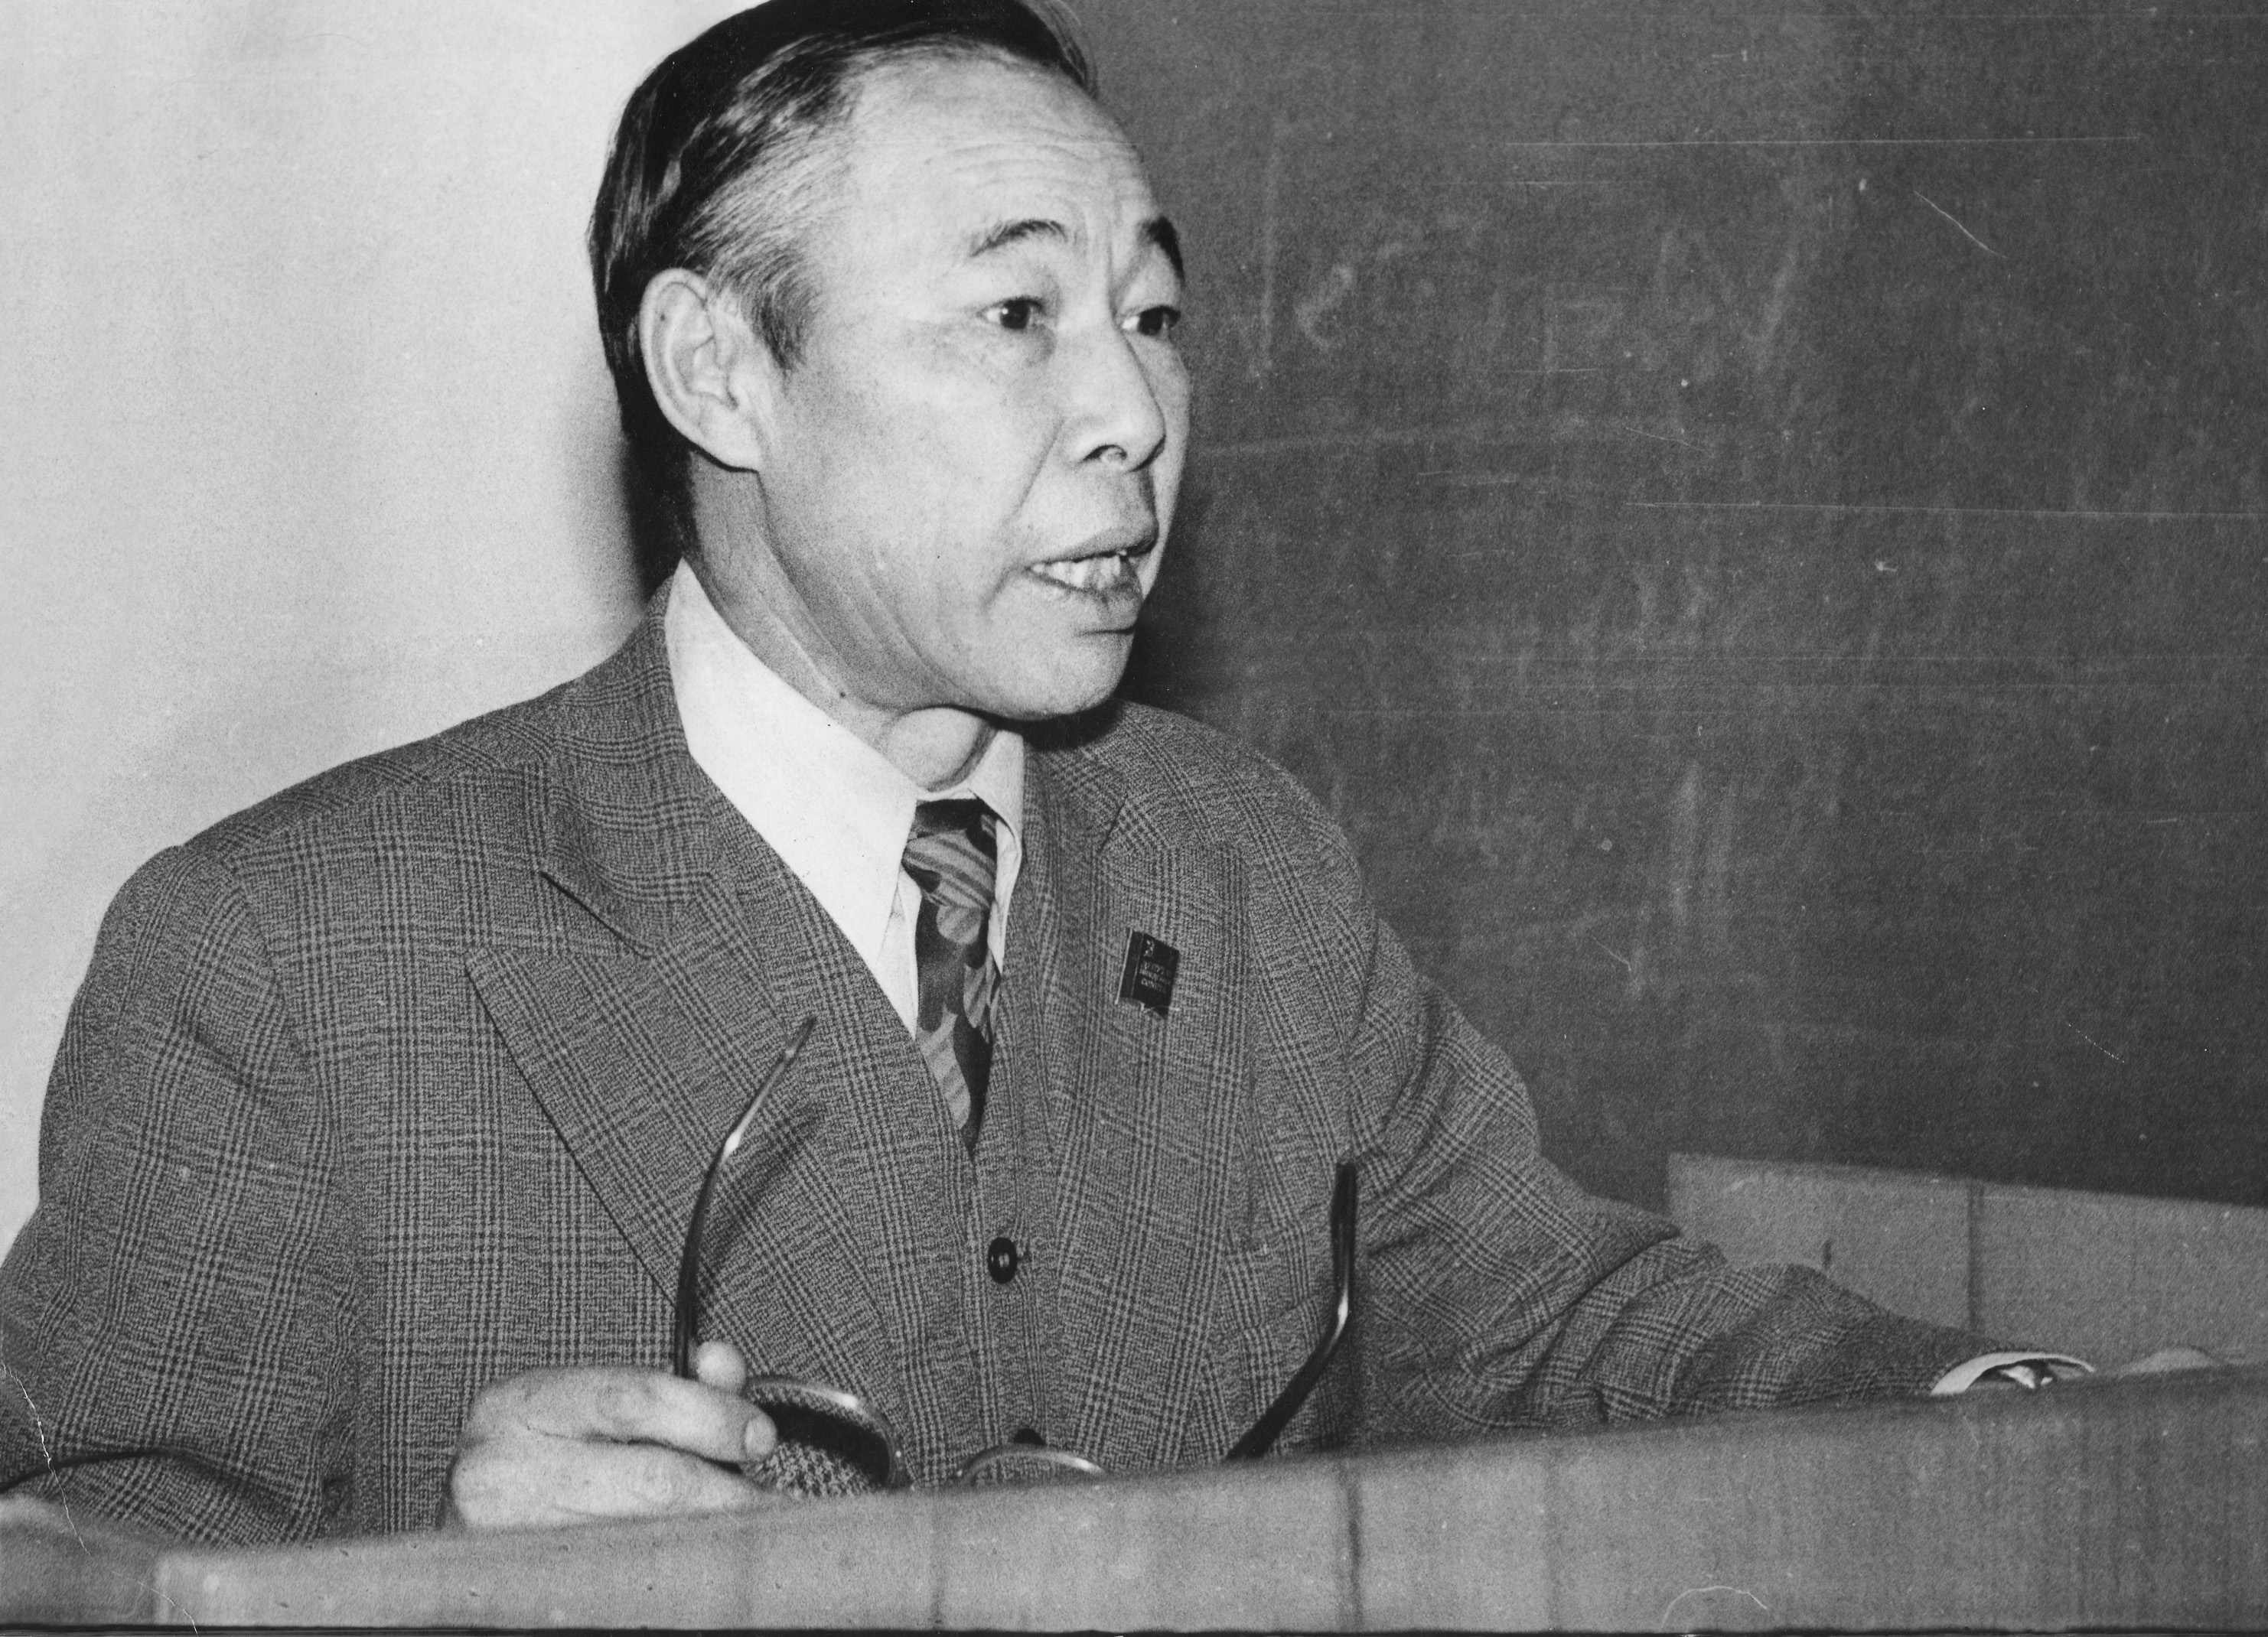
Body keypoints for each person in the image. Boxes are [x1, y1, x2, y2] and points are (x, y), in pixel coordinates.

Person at [0, 0, 2070, 1545]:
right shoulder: (281, 956)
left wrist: (2022, 1402)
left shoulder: (1237, 860)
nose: (1132, 411)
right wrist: (413, 1584)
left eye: (1152, 315)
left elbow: (1543, 1326)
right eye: (1016, 312)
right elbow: (73, 1561)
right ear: (721, 371)